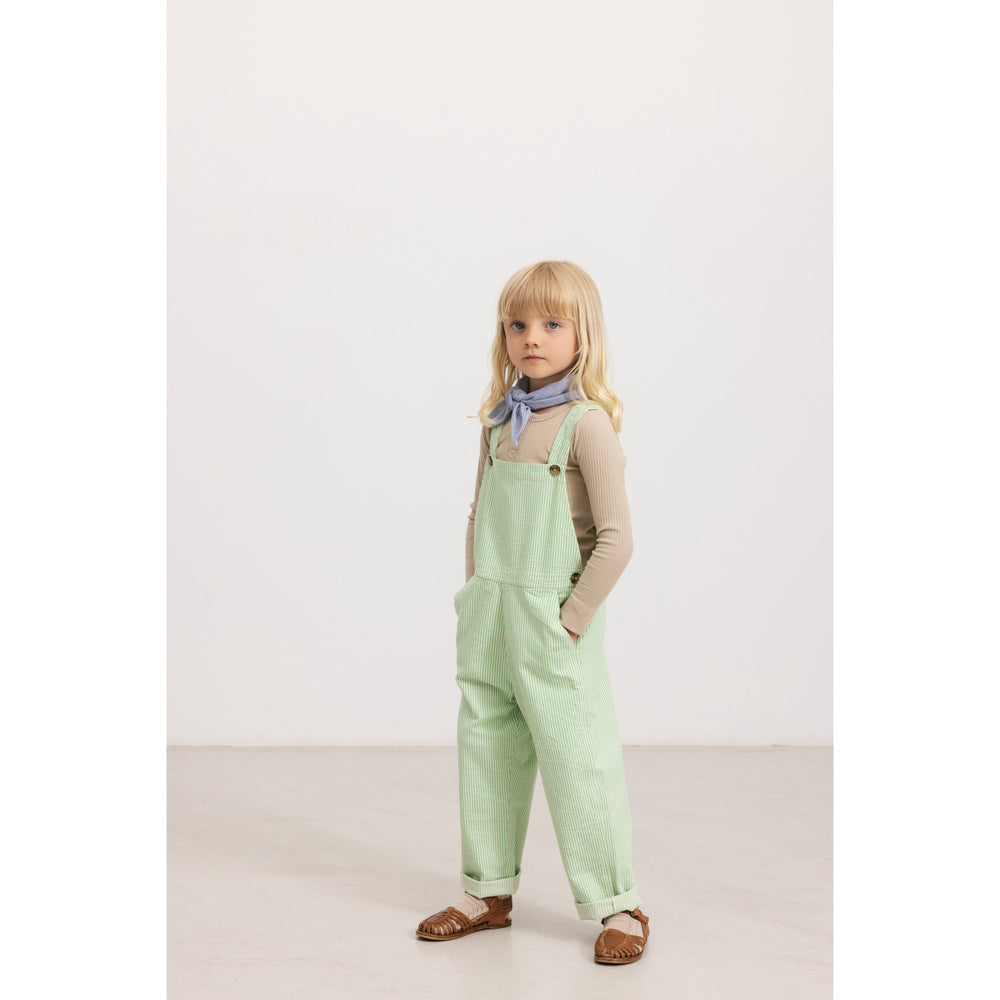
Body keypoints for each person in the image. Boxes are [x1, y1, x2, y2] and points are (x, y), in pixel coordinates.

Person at [415, 260, 650, 964]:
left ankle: (619, 904)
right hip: (491, 612)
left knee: (579, 758)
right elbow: (478, 513)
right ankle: (485, 891)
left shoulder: (587, 427)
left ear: (583, 334)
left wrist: (572, 616)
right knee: (487, 746)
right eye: (517, 324)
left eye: (551, 323)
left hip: (553, 615)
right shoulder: (497, 424)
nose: (532, 338)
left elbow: (617, 540)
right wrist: (474, 595)